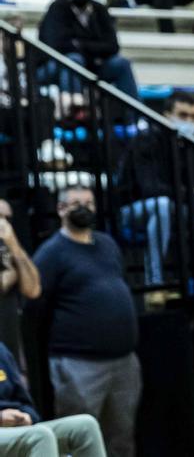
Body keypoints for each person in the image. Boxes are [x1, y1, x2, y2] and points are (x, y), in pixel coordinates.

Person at [26, 186, 140, 457]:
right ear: (61, 209)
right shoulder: (51, 252)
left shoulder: (107, 244)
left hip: (124, 361)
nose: (84, 208)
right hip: (77, 363)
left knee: (122, 436)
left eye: (89, 203)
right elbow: (35, 306)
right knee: (78, 439)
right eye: (76, 203)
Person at [117, 91, 194, 285]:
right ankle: (154, 281)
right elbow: (150, 188)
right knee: (162, 205)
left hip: (179, 206)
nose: (189, 121)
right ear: (167, 115)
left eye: (193, 117)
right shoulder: (146, 140)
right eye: (183, 116)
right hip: (133, 210)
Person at [37, 0, 138, 99]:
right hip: (55, 66)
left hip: (93, 65)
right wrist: (93, 47)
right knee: (74, 60)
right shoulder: (57, 8)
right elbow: (56, 44)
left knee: (121, 63)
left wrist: (80, 44)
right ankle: (75, 111)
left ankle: (135, 118)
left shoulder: (99, 9)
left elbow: (113, 46)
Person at [0, 342, 105, 457]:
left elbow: (26, 404)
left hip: (17, 428)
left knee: (85, 426)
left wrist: (26, 416)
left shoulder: (1, 351)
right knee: (39, 436)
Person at [0, 200, 37, 357]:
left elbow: (33, 289)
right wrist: (11, 274)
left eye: (7, 219)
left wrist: (14, 245)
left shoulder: (11, 245)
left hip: (10, 346)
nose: (4, 224)